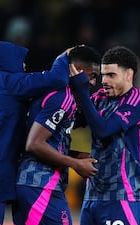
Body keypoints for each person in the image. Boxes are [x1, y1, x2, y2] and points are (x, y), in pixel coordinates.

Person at [0, 41, 73, 225]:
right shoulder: (4, 81)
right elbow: (56, 78)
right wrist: (64, 57)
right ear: (6, 61)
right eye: (20, 61)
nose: (24, 66)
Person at [13, 45, 101, 225]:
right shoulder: (63, 98)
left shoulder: (58, 95)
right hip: (40, 185)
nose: (93, 83)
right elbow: (35, 144)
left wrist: (79, 156)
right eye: (92, 75)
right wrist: (76, 164)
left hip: (33, 184)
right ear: (76, 70)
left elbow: (49, 144)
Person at [69, 46, 140, 225]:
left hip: (121, 196)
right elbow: (72, 122)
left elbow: (103, 130)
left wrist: (82, 92)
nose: (104, 80)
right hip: (92, 195)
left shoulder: (138, 100)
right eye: (103, 75)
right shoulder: (99, 98)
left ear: (128, 75)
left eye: (111, 75)